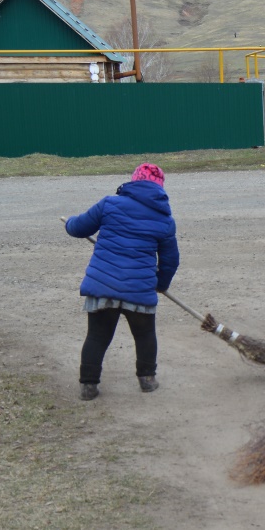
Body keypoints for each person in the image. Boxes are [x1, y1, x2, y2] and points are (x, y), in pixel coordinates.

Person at [66, 163, 179, 400]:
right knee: (145, 334)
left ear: (133, 182)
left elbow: (79, 228)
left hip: (103, 287)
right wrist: (161, 283)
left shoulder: (110, 204)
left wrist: (69, 223)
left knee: (97, 336)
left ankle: (88, 385)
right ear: (159, 189)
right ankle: (147, 379)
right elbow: (170, 260)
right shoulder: (164, 220)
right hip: (139, 289)